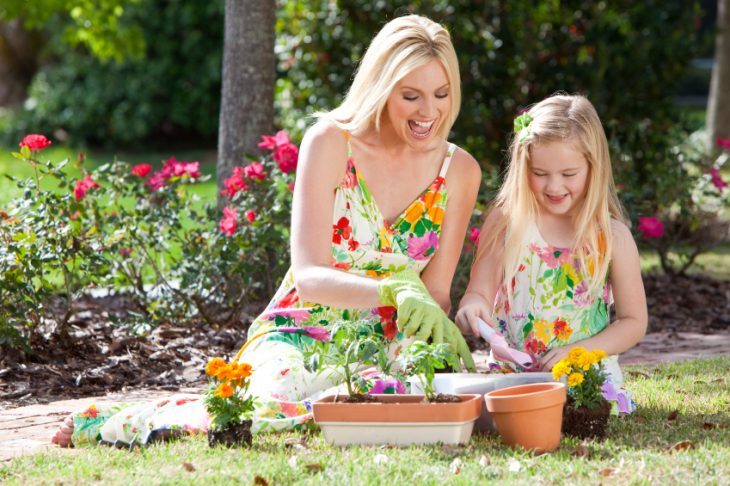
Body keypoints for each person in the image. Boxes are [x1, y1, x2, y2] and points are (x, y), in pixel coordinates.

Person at [52, 14, 480, 447]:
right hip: (300, 328)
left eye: (442, 94)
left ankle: (339, 407)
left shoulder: (459, 171)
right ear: (383, 88)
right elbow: (310, 277)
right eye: (412, 96)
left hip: (389, 341)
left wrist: (428, 328)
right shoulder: (331, 142)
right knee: (265, 405)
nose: (430, 112)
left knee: (400, 399)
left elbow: (438, 292)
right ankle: (119, 421)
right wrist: (390, 290)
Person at [455, 94, 647, 414]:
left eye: (568, 174)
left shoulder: (611, 237)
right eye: (540, 173)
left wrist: (578, 352)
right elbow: (479, 291)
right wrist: (473, 307)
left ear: (593, 168)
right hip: (514, 379)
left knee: (579, 414)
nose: (554, 186)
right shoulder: (507, 222)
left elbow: (633, 321)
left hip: (585, 376)